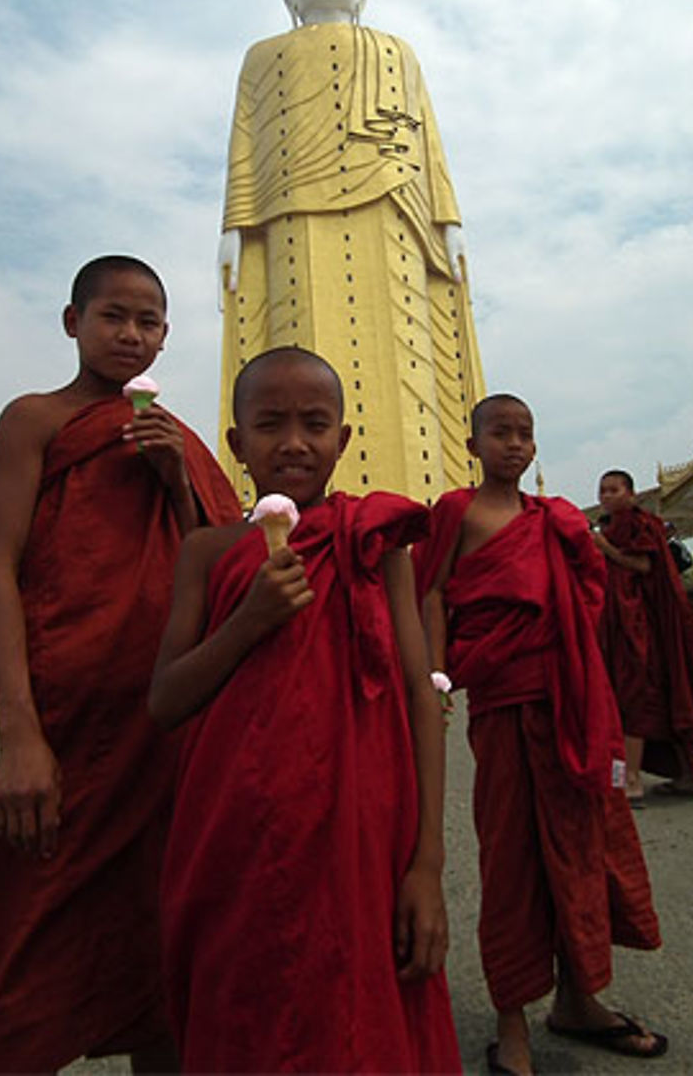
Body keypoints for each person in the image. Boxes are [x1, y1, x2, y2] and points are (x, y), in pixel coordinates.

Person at [149, 346, 462, 1074]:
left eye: (315, 423)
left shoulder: (374, 541)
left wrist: (428, 863)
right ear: (237, 443)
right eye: (270, 424)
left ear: (343, 439)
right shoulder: (207, 551)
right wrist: (249, 619)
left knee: (360, 1025)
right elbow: (165, 699)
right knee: (247, 1021)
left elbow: (422, 694)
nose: (293, 441)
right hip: (236, 842)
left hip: (361, 840)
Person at [0, 256, 242, 1074]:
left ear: (165, 335)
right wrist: (18, 734)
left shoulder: (177, 440)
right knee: (26, 945)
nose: (131, 334)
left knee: (158, 944)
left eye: (149, 321)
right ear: (71, 321)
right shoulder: (36, 420)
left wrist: (172, 479)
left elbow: (214, 566)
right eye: (113, 316)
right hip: (62, 722)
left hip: (159, 730)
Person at [415, 395, 665, 1076]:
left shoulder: (551, 521)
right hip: (503, 708)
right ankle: (511, 1017)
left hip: (568, 703)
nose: (516, 445)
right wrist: (435, 676)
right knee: (513, 857)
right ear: (473, 444)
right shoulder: (456, 512)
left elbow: (585, 599)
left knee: (580, 848)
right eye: (501, 433)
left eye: (526, 434)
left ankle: (580, 997)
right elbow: (430, 592)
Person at [216, 0, 487, 508]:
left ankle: (424, 506)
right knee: (296, 348)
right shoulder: (263, 57)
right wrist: (234, 226)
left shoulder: (398, 52)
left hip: (394, 214)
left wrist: (450, 220)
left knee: (408, 362)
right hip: (291, 216)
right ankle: (289, 509)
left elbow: (428, 141)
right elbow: (245, 142)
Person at [595, 470, 693, 805]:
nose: (607, 496)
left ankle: (631, 781)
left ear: (631, 493)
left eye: (614, 490)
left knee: (633, 702)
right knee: (653, 700)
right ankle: (689, 776)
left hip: (641, 627)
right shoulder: (613, 524)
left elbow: (642, 566)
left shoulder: (638, 525)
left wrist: (604, 546)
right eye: (603, 491)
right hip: (620, 623)